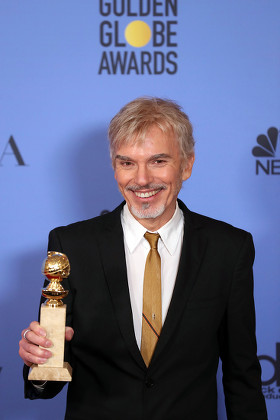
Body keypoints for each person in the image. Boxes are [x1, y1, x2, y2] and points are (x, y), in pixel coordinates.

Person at [19, 97, 267, 420]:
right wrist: (38, 360)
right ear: (114, 167)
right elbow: (48, 379)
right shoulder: (71, 246)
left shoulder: (228, 250)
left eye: (158, 161)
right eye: (127, 163)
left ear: (187, 165)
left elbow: (242, 379)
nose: (142, 180)